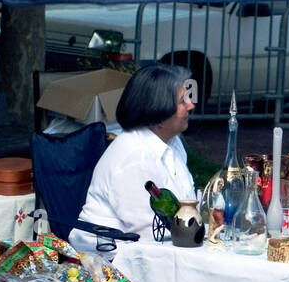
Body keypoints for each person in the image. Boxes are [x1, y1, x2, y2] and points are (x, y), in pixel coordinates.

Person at [69, 64, 195, 251]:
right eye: (182, 101)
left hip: (161, 248)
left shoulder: (172, 143)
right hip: (110, 261)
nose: (191, 105)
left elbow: (185, 209)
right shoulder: (135, 156)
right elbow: (149, 232)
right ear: (158, 113)